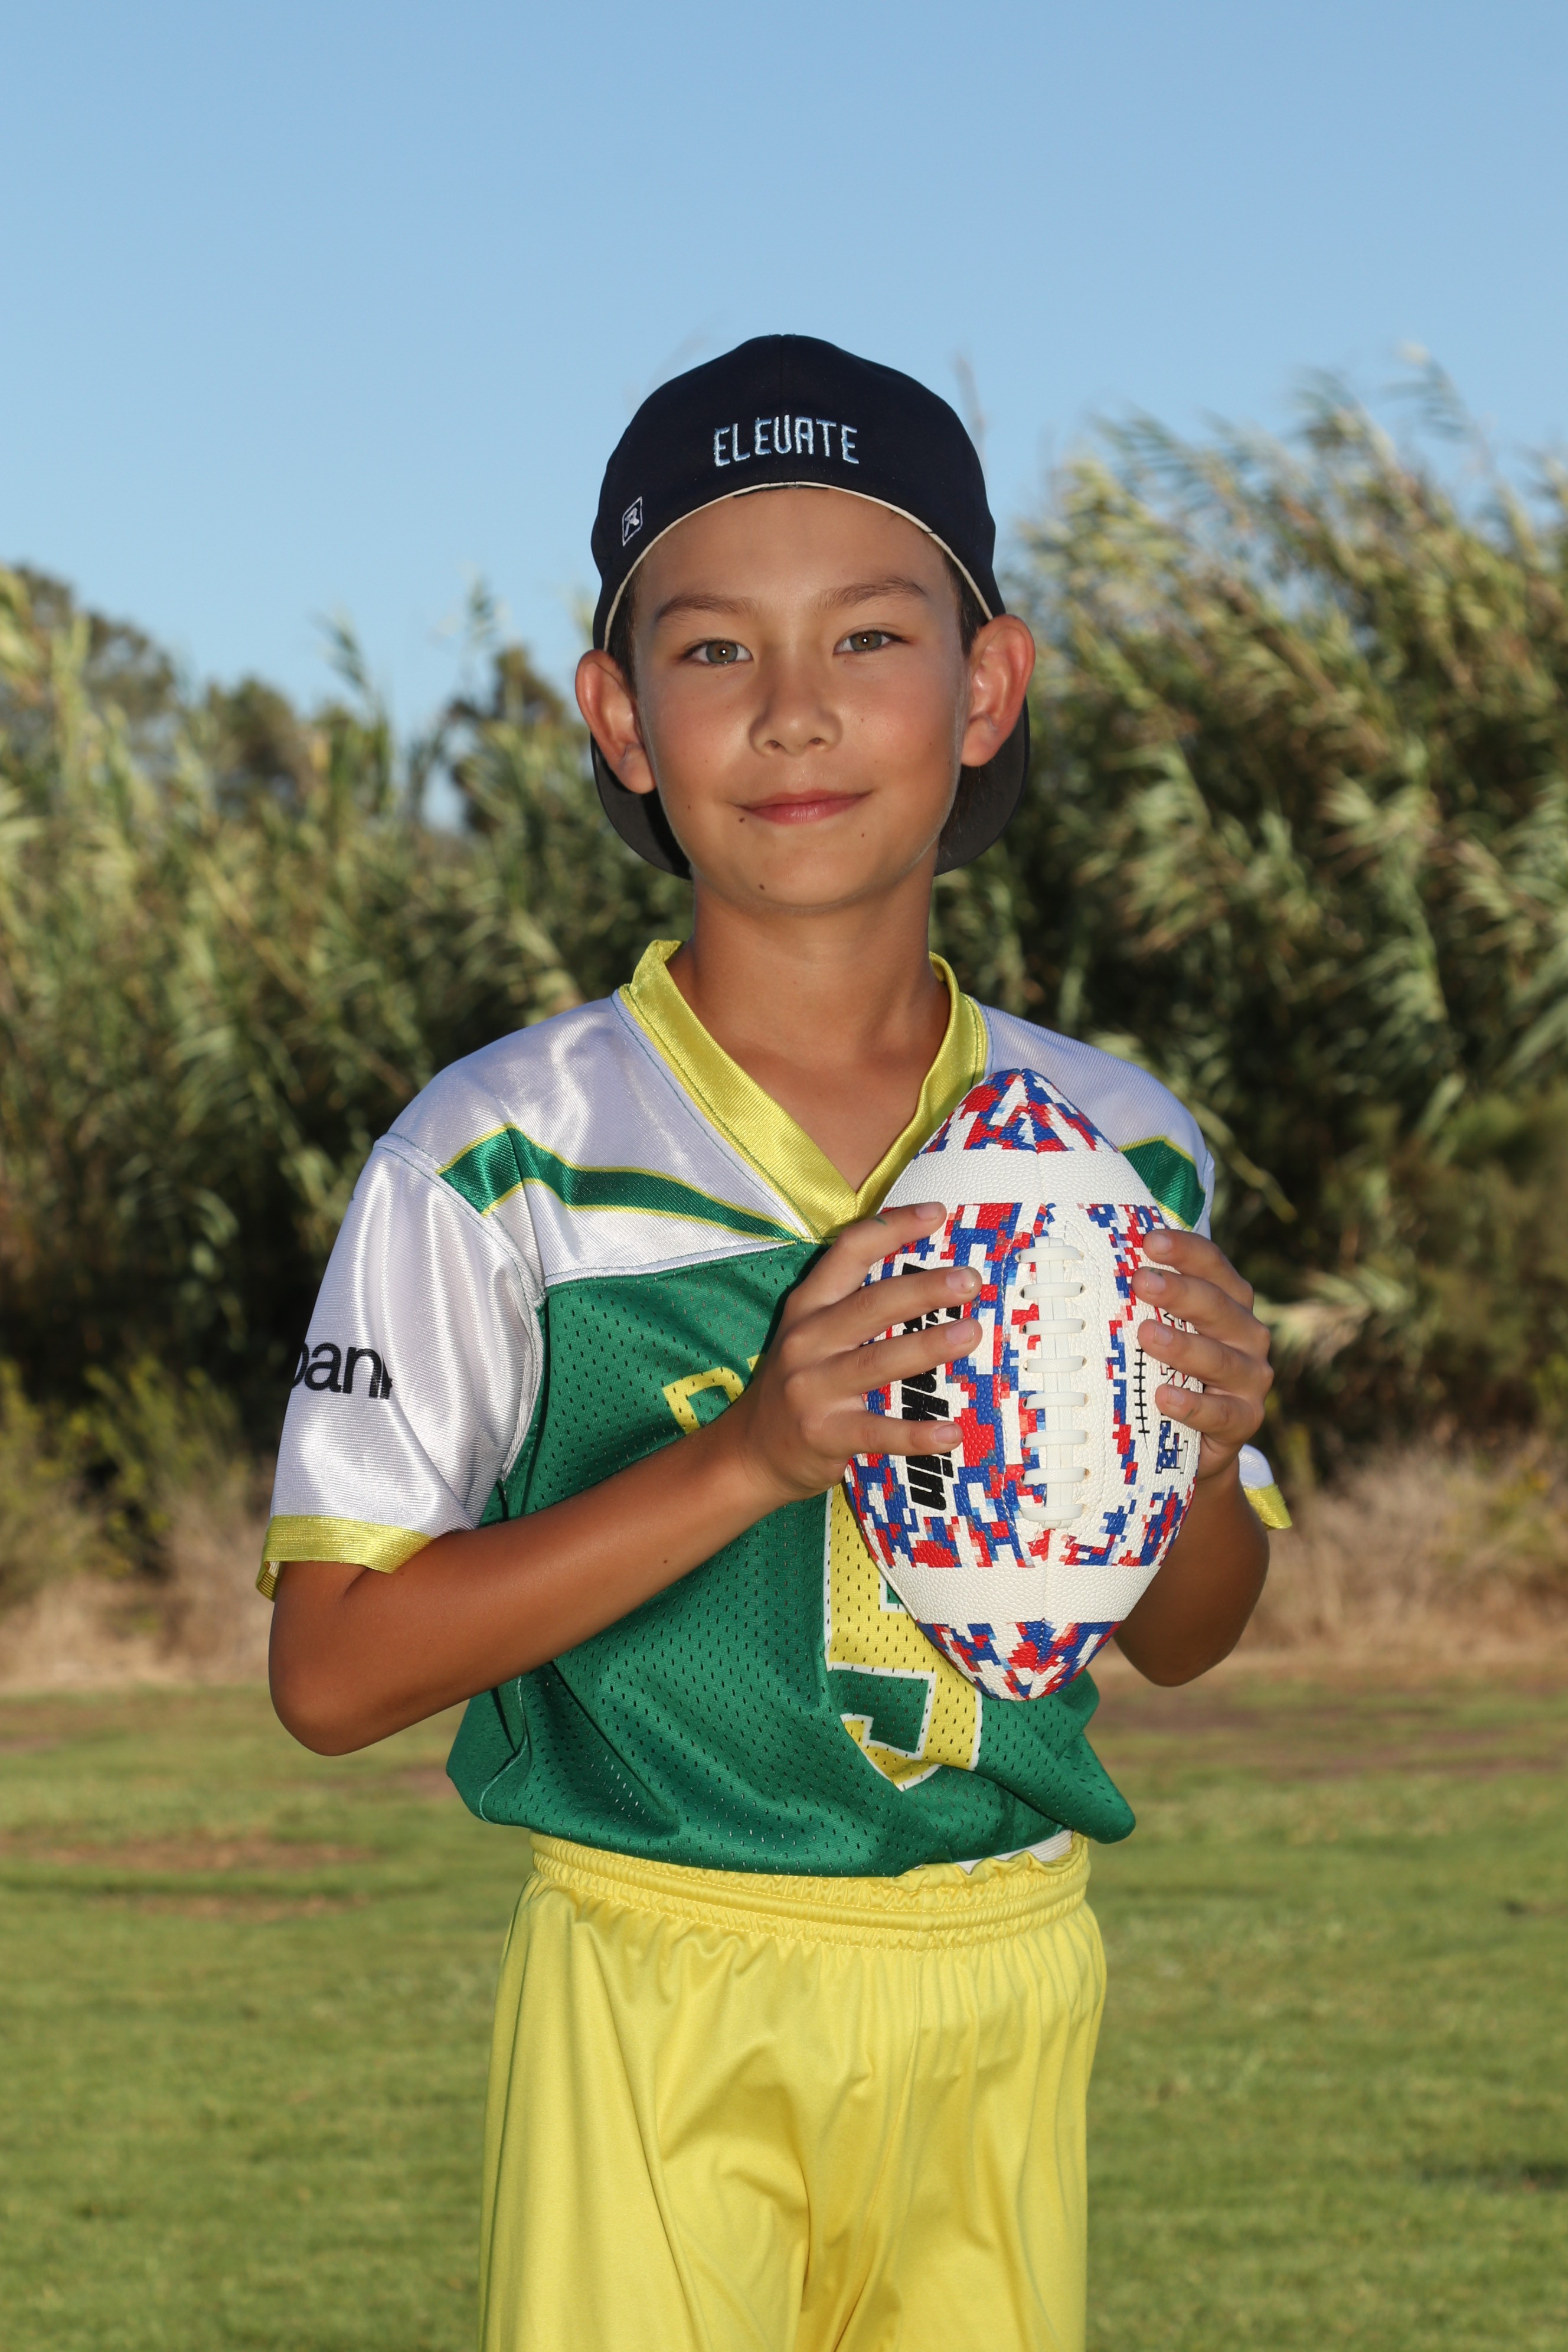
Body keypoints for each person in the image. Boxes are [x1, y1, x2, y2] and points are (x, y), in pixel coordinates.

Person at [264, 335, 1280, 2352]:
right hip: (659, 1978)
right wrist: (745, 1462)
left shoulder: (1116, 1146)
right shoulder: (500, 1154)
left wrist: (1200, 1454)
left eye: (871, 637)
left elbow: (1184, 1635)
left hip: (1003, 1972)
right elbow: (333, 1673)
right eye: (715, 648)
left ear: (985, 689)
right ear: (620, 717)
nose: (795, 708)